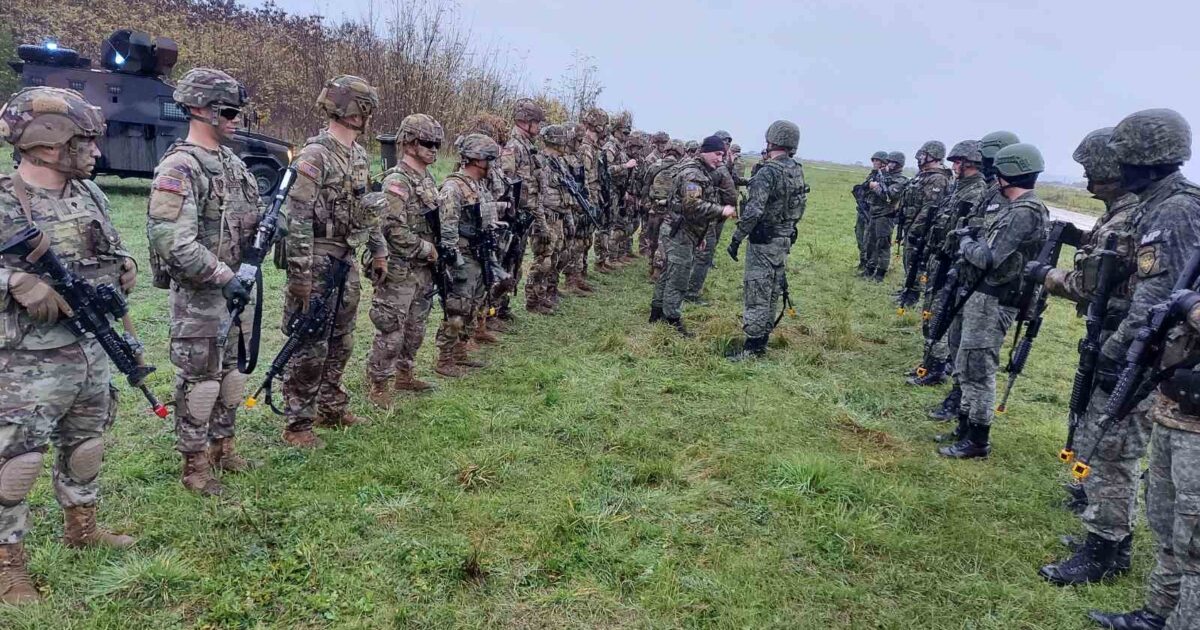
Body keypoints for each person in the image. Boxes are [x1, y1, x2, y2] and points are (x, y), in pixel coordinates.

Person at [0, 87, 136, 604]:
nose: (96, 152)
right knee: (15, 465)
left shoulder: (90, 194)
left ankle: (83, 529)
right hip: (26, 360)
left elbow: (109, 247)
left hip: (88, 348)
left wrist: (125, 266)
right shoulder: (5, 199)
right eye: (86, 142)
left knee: (85, 446)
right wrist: (14, 282)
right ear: (48, 143)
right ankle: (9, 567)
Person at [1087, 108, 1200, 630]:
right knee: (1167, 512)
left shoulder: (1175, 210)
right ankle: (1159, 612)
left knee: (1187, 524)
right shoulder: (1159, 205)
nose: (1116, 169)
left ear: (1144, 159)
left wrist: (1115, 355)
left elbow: (1153, 300)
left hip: (1172, 372)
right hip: (1172, 375)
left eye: (1124, 158)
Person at [1034, 127, 1146, 586]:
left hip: (1127, 345)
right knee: (1103, 436)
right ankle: (1106, 535)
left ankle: (1106, 550)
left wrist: (1048, 275)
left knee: (1114, 446)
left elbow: (1091, 282)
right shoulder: (1128, 213)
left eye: (1091, 171)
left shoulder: (1132, 215)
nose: (1085, 180)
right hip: (1116, 339)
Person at [146, 68, 263, 494]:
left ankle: (223, 448)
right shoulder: (180, 167)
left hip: (236, 292)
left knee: (231, 377)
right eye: (227, 111)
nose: (235, 119)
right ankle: (194, 466)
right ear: (199, 109)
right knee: (200, 383)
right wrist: (221, 275)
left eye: (237, 112)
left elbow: (247, 220)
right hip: (201, 297)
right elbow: (170, 240)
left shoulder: (233, 163)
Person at [280, 75, 387, 448]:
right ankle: (298, 422)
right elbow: (296, 218)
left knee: (342, 339)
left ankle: (330, 404)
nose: (367, 116)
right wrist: (300, 275)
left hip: (345, 257)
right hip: (318, 257)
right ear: (352, 110)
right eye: (364, 108)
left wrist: (378, 249)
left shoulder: (358, 155)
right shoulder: (315, 155)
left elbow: (368, 208)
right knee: (310, 342)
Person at [938, 143, 1048, 458]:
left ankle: (977, 439)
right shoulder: (1017, 207)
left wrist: (965, 241)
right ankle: (965, 426)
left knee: (978, 367)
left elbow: (988, 258)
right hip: (983, 295)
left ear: (1007, 173)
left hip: (994, 299)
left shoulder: (1024, 212)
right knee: (965, 362)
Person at [365, 114, 444, 406]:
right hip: (400, 269)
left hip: (423, 269)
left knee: (416, 327)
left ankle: (405, 373)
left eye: (437, 144)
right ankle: (378, 383)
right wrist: (425, 248)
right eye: (427, 143)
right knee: (391, 329)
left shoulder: (426, 179)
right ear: (409, 143)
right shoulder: (397, 181)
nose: (433, 149)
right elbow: (391, 228)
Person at [726, 121, 807, 359]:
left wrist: (737, 237)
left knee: (757, 291)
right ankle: (762, 339)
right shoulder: (796, 169)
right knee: (772, 290)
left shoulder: (768, 171)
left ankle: (753, 347)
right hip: (783, 238)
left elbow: (754, 211)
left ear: (771, 140)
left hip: (764, 240)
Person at [432, 134, 508, 377]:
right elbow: (448, 228)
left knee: (473, 305)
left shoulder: (478, 186)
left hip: (479, 254)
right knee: (457, 309)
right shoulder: (454, 187)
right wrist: (455, 263)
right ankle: (444, 358)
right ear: (477, 160)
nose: (492, 165)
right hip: (462, 257)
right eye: (489, 160)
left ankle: (460, 350)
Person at [649, 135, 737, 336]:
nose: (720, 159)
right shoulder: (693, 174)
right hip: (679, 232)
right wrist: (721, 210)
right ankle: (671, 319)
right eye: (717, 154)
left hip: (684, 231)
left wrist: (700, 236)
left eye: (722, 155)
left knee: (668, 272)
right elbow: (693, 205)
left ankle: (657, 312)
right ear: (705, 151)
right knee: (678, 277)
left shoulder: (701, 171)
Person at [502, 99, 549, 315]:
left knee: (515, 263)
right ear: (525, 121)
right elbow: (505, 183)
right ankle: (494, 311)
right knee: (506, 262)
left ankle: (501, 308)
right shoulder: (513, 147)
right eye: (536, 122)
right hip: (513, 216)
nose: (539, 127)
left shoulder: (528, 147)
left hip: (525, 215)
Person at [526, 123, 576, 314]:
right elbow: (535, 196)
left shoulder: (559, 163)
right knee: (543, 261)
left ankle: (544, 294)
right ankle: (533, 301)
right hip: (545, 218)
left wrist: (568, 218)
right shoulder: (539, 162)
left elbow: (565, 193)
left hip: (559, 218)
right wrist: (542, 225)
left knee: (555, 259)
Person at [685, 129, 738, 305]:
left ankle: (682, 287)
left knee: (694, 252)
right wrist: (725, 210)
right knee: (704, 255)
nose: (726, 148)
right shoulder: (716, 168)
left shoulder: (698, 165)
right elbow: (729, 192)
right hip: (707, 214)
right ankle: (691, 292)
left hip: (702, 214)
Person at [897, 141, 949, 276]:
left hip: (921, 229)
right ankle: (909, 284)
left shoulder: (938, 178)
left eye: (924, 154)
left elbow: (929, 208)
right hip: (910, 223)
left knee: (916, 260)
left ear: (933, 155)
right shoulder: (922, 175)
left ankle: (914, 287)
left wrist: (915, 230)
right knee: (908, 258)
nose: (920, 157)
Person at [862, 152, 908, 281]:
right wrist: (872, 184)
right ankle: (869, 268)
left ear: (899, 164)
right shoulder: (881, 175)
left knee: (883, 244)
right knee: (870, 242)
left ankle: (880, 273)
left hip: (886, 215)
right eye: (889, 162)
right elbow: (866, 186)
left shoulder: (901, 180)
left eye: (893, 162)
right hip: (874, 212)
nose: (889, 165)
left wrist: (876, 186)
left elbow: (889, 196)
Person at [643, 141, 685, 280]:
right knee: (664, 241)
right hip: (670, 210)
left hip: (654, 208)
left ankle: (651, 265)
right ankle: (658, 271)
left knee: (652, 239)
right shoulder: (681, 169)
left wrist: (646, 204)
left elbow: (645, 186)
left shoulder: (654, 166)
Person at [855, 150, 889, 272]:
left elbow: (886, 195)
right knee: (860, 236)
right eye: (873, 160)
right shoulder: (873, 174)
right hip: (864, 209)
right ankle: (863, 261)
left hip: (874, 212)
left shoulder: (885, 177)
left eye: (877, 160)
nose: (874, 162)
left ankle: (869, 264)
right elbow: (864, 188)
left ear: (884, 162)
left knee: (869, 240)